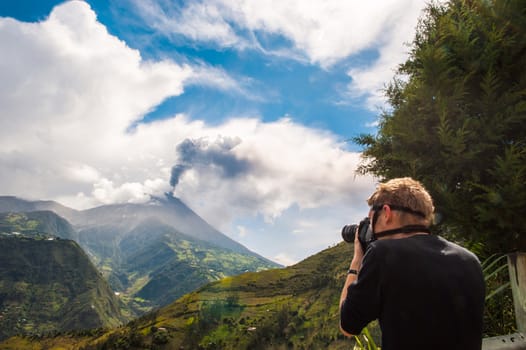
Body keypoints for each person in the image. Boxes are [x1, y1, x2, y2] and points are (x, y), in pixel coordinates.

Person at [339, 177, 485, 350]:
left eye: (371, 219)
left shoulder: (382, 253)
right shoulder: (469, 259)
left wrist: (357, 261)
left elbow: (348, 325)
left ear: (386, 213)